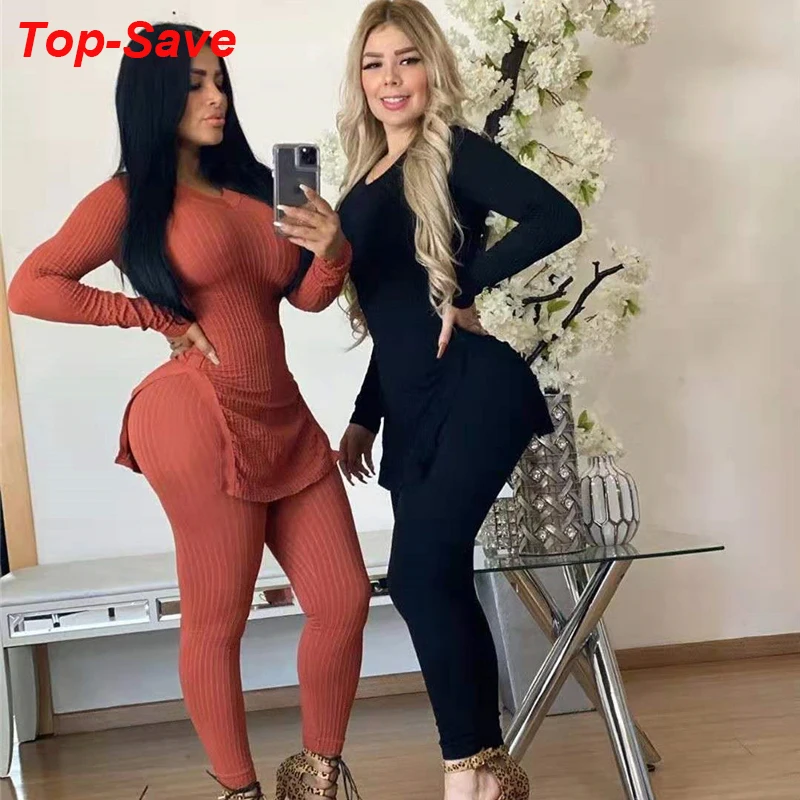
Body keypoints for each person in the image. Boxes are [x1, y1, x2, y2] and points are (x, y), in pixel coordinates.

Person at [8, 24, 370, 800]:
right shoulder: (126, 199)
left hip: (281, 414)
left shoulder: (261, 185)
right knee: (218, 616)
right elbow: (30, 286)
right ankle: (240, 790)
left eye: (219, 81)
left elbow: (306, 299)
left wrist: (333, 248)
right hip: (194, 415)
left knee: (343, 600)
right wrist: (151, 317)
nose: (215, 98)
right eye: (194, 83)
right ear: (153, 95)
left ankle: (316, 779)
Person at [331, 2, 583, 798]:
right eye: (374, 63)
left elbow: (557, 214)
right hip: (410, 402)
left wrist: (463, 285)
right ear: (358, 79)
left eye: (407, 59)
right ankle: (487, 773)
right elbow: (393, 319)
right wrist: (365, 414)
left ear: (432, 68)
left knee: (418, 574)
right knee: (435, 579)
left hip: (475, 390)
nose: (391, 78)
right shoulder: (360, 181)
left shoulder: (453, 152)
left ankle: (465, 776)